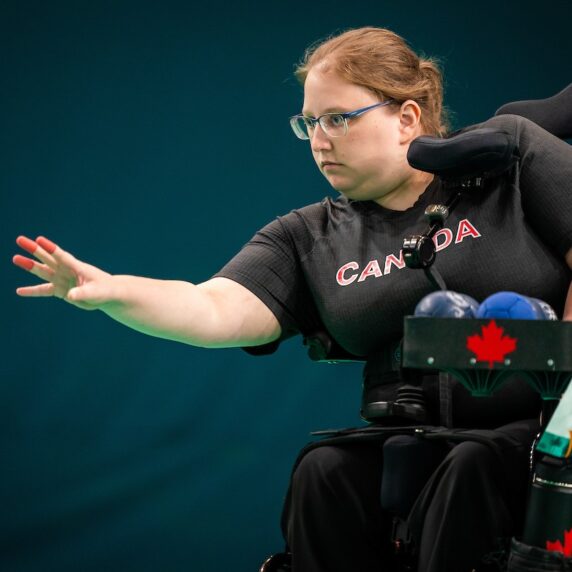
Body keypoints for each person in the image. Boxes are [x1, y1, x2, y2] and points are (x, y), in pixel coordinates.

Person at [13, 26, 572, 572]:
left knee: (471, 465)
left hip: (542, 422)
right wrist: (111, 291)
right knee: (324, 470)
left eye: (337, 118)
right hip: (417, 430)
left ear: (406, 118)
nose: (320, 140)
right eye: (309, 123)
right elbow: (210, 307)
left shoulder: (503, 172)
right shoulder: (306, 237)